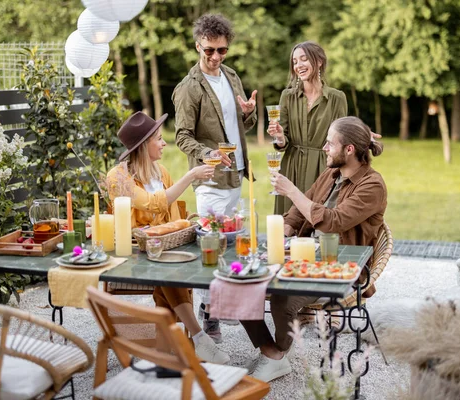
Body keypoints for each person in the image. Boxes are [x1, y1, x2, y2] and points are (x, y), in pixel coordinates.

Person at [242, 116, 387, 382]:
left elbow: (333, 222)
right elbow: (300, 211)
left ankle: (277, 354)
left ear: (349, 150)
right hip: (303, 257)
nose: (324, 148)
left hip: (340, 266)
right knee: (241, 286)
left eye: (330, 143)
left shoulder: (372, 186)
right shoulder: (331, 174)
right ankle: (271, 350)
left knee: (282, 299)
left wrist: (291, 190)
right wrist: (284, 230)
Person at [106, 111, 229, 364]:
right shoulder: (117, 178)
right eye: (159, 139)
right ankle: (197, 338)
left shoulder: (160, 171)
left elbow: (172, 219)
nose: (164, 143)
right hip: (132, 254)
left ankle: (165, 353)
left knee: (166, 272)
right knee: (167, 273)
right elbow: (153, 205)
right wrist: (191, 175)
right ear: (143, 146)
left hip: (162, 250)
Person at [173, 13, 257, 341]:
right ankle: (208, 316)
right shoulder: (188, 88)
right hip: (210, 179)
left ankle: (219, 306)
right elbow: (182, 136)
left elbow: (240, 127)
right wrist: (207, 153)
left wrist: (248, 115)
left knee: (232, 245)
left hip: (235, 174)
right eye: (209, 50)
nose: (215, 57)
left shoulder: (232, 77)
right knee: (211, 246)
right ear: (198, 46)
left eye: (221, 50)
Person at [268, 41, 348, 215]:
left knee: (319, 221)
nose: (298, 65)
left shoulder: (337, 98)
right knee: (288, 223)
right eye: (295, 62)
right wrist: (280, 137)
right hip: (292, 168)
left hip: (323, 169)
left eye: (304, 59)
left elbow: (342, 136)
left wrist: (360, 134)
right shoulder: (287, 97)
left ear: (319, 61)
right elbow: (283, 142)